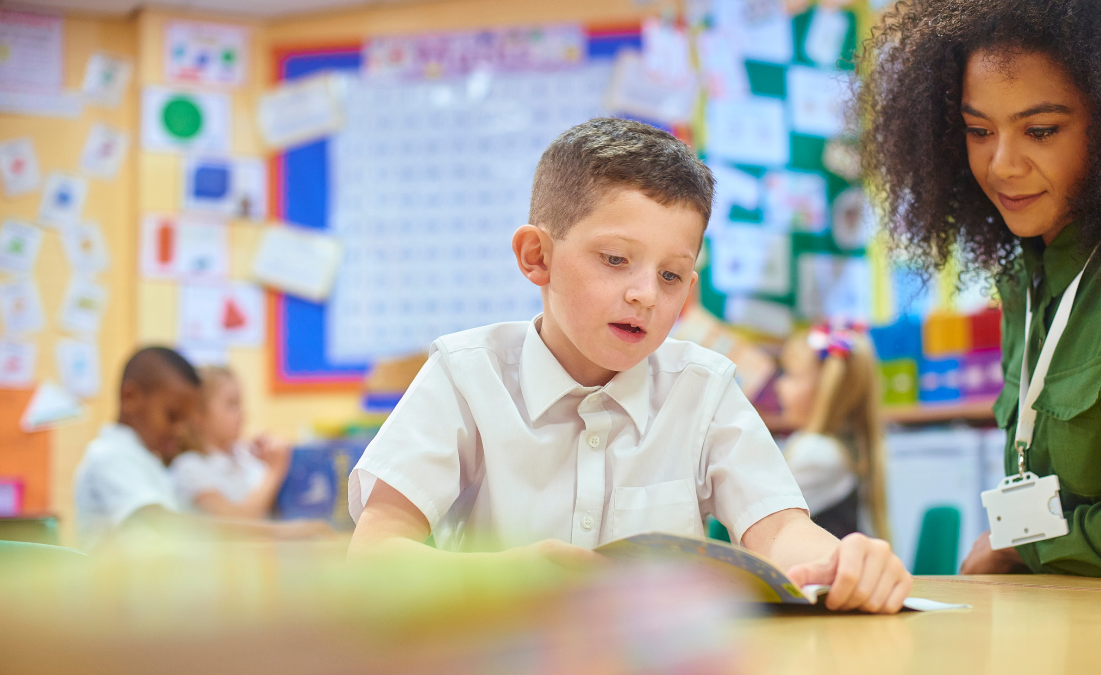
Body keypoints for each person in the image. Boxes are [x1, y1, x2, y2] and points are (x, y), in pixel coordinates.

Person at [348, 118, 912, 614]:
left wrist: (842, 565)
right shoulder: (464, 376)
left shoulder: (704, 388)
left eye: (670, 276)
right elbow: (374, 556)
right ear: (536, 256)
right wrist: (508, 577)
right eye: (616, 260)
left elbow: (781, 531)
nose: (645, 294)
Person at [855, 0, 1101, 579]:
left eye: (1040, 130)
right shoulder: (1025, 271)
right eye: (978, 130)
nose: (1002, 164)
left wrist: (1020, 546)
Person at [73, 347, 329, 550]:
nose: (179, 429)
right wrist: (282, 532)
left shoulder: (146, 459)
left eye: (184, 420)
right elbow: (168, 525)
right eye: (172, 416)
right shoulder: (110, 456)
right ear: (130, 398)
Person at [774, 324, 889, 541]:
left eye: (790, 375)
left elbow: (760, 513)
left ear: (824, 388)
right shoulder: (830, 446)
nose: (780, 386)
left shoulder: (817, 454)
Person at [171, 366, 293, 518]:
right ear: (199, 416)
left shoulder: (245, 457)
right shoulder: (189, 467)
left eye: (240, 404)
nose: (242, 413)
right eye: (232, 404)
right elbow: (238, 524)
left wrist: (267, 461)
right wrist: (275, 470)